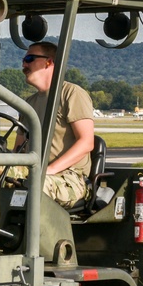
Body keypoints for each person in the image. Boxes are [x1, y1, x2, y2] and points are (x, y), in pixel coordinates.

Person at [14, 41, 95, 207]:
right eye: (24, 59)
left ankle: (36, 232)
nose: (24, 64)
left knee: (36, 186)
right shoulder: (28, 103)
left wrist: (47, 171)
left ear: (48, 62)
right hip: (35, 171)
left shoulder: (71, 94)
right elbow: (19, 149)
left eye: (29, 58)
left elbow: (86, 142)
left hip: (70, 177)